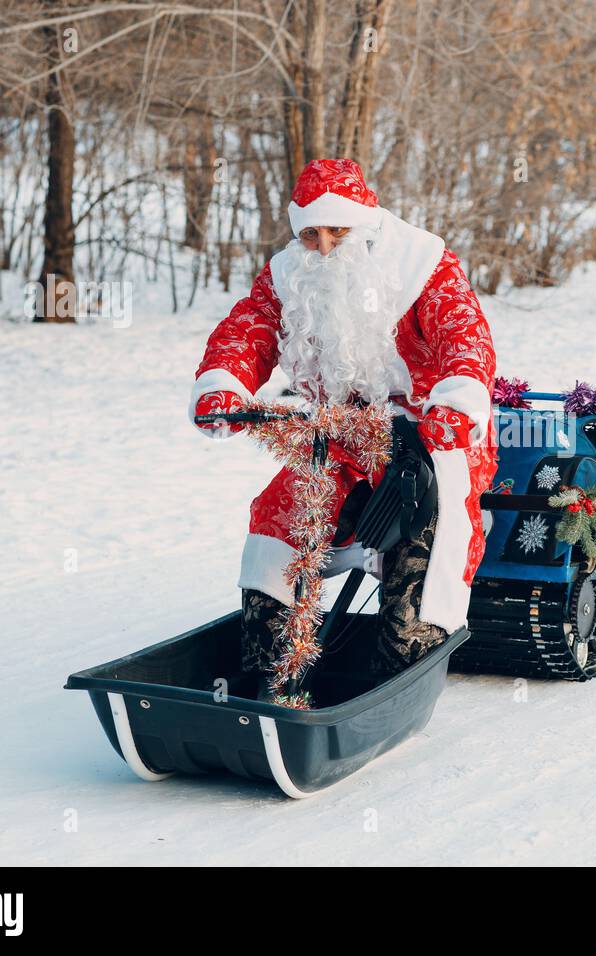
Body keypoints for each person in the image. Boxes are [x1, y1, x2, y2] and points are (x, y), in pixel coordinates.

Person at [189, 158, 498, 700]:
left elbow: (464, 339)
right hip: (344, 433)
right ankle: (270, 667)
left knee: (429, 526)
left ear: (366, 224)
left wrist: (456, 404)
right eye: (311, 234)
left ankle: (406, 661)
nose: (325, 247)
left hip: (430, 432)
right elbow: (249, 328)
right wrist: (225, 384)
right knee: (280, 517)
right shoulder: (290, 273)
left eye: (338, 231)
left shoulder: (424, 263)